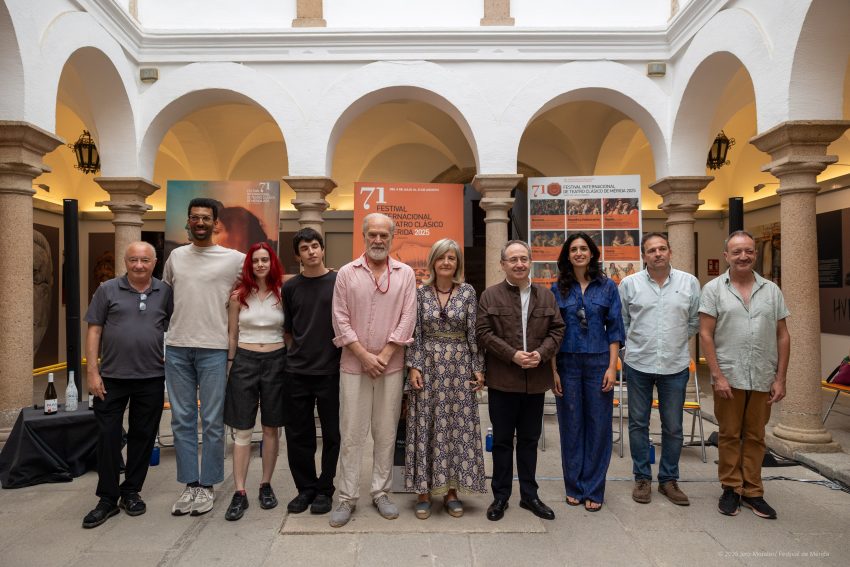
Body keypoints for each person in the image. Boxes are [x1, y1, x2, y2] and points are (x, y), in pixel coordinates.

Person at [329, 213, 417, 527]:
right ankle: (346, 497)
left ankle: (381, 493)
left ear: (392, 238)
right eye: (373, 235)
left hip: (391, 367)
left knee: (385, 432)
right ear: (364, 236)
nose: (378, 240)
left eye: (384, 235)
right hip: (354, 366)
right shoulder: (346, 274)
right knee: (351, 434)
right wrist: (364, 355)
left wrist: (387, 352)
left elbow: (408, 317)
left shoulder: (405, 273)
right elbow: (339, 317)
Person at [82, 242, 173, 528]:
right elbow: (94, 329)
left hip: (151, 377)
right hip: (111, 378)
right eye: (133, 260)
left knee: (143, 437)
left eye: (144, 260)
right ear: (125, 261)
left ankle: (131, 491)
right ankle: (107, 498)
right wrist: (92, 371)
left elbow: (172, 327)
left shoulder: (165, 292)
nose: (138, 265)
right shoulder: (107, 289)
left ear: (154, 262)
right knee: (107, 436)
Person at [163, 197, 245, 516]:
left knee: (212, 421)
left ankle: (208, 485)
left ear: (215, 223)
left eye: (205, 218)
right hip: (178, 347)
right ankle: (190, 485)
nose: (200, 223)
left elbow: (264, 282)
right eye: (194, 217)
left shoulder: (234, 259)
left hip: (214, 349)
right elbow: (166, 298)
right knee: (182, 419)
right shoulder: (175, 257)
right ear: (188, 221)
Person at [700, 230, 789, 520]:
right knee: (728, 434)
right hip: (729, 375)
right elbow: (706, 334)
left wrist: (780, 378)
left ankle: (753, 491)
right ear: (726, 255)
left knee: (755, 436)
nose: (743, 256)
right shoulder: (714, 289)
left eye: (749, 251)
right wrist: (717, 375)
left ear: (754, 254)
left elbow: (783, 336)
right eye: (736, 251)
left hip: (762, 374)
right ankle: (730, 488)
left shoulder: (772, 290)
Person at [477, 240, 565, 522]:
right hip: (503, 380)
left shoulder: (546, 296)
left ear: (530, 262)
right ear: (502, 264)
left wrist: (541, 354)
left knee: (529, 440)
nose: (519, 264)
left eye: (523, 259)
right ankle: (500, 497)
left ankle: (530, 495)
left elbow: (558, 330)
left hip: (535, 382)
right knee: (502, 441)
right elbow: (483, 333)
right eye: (512, 259)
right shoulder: (490, 296)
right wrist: (512, 355)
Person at [405, 239, 486, 520]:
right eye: (441, 258)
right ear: (433, 262)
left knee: (455, 428)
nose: (446, 263)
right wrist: (413, 367)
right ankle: (424, 493)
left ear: (457, 263)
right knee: (425, 426)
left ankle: (452, 492)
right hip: (427, 366)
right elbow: (413, 332)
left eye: (451, 258)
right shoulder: (420, 293)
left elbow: (473, 332)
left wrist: (478, 367)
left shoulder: (467, 292)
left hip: (458, 367)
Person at [619, 233, 700, 506]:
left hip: (674, 366)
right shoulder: (629, 284)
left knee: (674, 427)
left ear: (670, 251)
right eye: (651, 250)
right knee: (638, 424)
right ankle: (642, 478)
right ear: (644, 256)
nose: (657, 254)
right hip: (639, 364)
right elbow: (623, 322)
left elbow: (693, 321)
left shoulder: (689, 283)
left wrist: (674, 342)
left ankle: (668, 480)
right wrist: (631, 349)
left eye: (662, 248)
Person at [551, 232, 624, 512]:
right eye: (574, 250)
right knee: (571, 426)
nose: (579, 253)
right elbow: (552, 332)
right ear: (567, 256)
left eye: (584, 249)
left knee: (598, 426)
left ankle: (594, 488)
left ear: (592, 253)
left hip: (598, 363)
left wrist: (611, 367)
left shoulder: (607, 287)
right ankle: (574, 486)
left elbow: (615, 330)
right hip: (567, 363)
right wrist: (553, 371)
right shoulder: (559, 288)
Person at [222, 242, 286, 521]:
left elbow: (288, 333)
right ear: (249, 265)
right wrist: (230, 365)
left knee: (271, 427)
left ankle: (265, 484)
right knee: (243, 430)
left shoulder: (283, 294)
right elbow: (232, 334)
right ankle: (240, 492)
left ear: (272, 263)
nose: (260, 264)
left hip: (276, 361)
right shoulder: (238, 295)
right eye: (255, 261)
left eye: (265, 260)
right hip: (245, 361)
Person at [281, 228, 342, 516]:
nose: (311, 252)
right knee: (298, 434)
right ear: (298, 255)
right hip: (297, 372)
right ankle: (305, 488)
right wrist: (298, 355)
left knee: (332, 434)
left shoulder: (338, 281)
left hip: (330, 370)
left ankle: (325, 489)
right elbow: (289, 331)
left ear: (322, 249)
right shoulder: (290, 287)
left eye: (315, 246)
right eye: (305, 248)